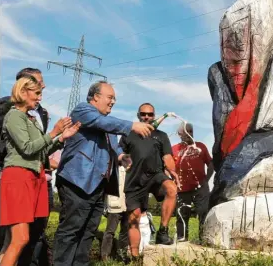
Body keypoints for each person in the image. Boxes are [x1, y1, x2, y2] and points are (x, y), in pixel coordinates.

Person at [53, 81, 154, 266]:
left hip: (97, 186)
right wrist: (132, 125)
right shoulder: (83, 111)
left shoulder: (107, 125)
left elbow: (112, 147)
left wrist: (121, 156)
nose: (113, 101)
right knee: (71, 231)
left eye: (114, 98)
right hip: (78, 182)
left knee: (88, 232)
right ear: (96, 97)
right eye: (110, 97)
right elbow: (101, 122)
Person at [0, 76, 80, 266]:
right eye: (36, 93)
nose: (39, 98)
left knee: (22, 238)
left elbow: (41, 152)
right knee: (19, 239)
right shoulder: (14, 116)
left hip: (34, 178)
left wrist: (61, 138)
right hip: (19, 177)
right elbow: (27, 148)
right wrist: (53, 132)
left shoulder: (31, 119)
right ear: (23, 92)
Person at [120, 103, 179, 258]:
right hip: (134, 179)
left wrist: (172, 170)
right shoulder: (128, 134)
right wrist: (122, 159)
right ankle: (134, 257)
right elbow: (119, 154)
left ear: (154, 116)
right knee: (134, 219)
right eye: (143, 114)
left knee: (172, 189)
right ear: (138, 115)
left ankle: (162, 232)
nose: (147, 117)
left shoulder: (161, 135)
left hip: (155, 175)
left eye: (150, 114)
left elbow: (167, 157)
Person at [172, 123, 214, 241]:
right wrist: (173, 180)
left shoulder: (200, 146)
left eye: (190, 131)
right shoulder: (174, 149)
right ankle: (182, 239)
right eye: (185, 132)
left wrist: (207, 180)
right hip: (182, 189)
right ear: (180, 134)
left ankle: (205, 239)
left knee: (203, 212)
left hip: (200, 188)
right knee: (182, 214)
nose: (189, 134)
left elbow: (210, 163)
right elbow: (167, 167)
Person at [101, 165, 128, 261]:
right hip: (114, 204)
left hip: (128, 204)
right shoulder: (111, 166)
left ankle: (123, 256)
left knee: (125, 232)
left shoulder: (131, 167)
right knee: (110, 231)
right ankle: (105, 257)